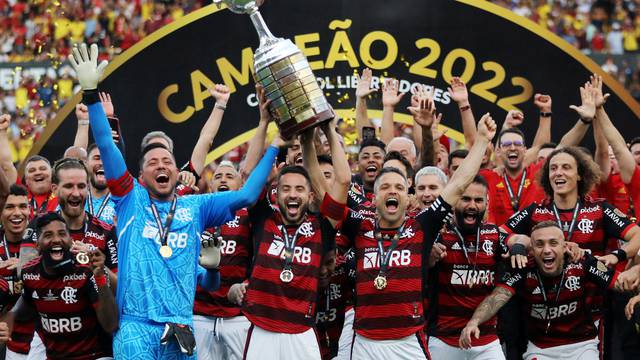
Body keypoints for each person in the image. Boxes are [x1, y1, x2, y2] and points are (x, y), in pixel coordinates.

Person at [69, 42, 280, 359]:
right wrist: (90, 94)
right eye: (152, 162)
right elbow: (106, 145)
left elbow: (248, 195)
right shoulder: (130, 198)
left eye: (167, 160)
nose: (161, 165)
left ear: (176, 168)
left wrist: (276, 144)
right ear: (140, 175)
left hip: (181, 330)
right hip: (136, 328)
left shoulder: (198, 206)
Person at [326, 113, 497, 359]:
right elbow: (330, 193)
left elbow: (458, 184)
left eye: (398, 187)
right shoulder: (359, 226)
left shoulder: (421, 227)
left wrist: (481, 141)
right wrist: (325, 136)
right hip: (364, 342)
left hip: (408, 342)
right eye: (384, 187)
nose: (392, 191)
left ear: (409, 196)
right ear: (373, 199)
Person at [236, 119, 349, 360]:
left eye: (299, 189)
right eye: (286, 189)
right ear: (276, 194)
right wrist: (266, 126)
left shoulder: (322, 226)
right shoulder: (264, 217)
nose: (292, 194)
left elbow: (343, 181)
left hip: (302, 332)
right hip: (261, 329)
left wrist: (328, 130)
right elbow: (247, 172)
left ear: (309, 196)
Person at [460, 221, 633, 360]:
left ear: (564, 246)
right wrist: (474, 322)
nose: (547, 250)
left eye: (553, 243)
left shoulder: (583, 262)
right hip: (541, 349)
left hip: (582, 345)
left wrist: (636, 273)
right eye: (539, 244)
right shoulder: (524, 267)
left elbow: (621, 283)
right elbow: (497, 297)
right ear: (532, 250)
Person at [0, 212, 118, 359]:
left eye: (62, 234)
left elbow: (111, 324)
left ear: (70, 240)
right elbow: (27, 301)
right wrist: (11, 315)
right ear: (37, 245)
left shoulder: (85, 269)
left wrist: (100, 277)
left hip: (95, 355)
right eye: (48, 235)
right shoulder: (29, 273)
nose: (56, 239)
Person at [426, 175, 507, 359]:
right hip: (444, 341)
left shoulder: (493, 234)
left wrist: (518, 247)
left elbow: (519, 239)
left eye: (478, 200)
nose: (472, 205)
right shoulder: (439, 236)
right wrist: (429, 259)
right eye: (466, 199)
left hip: (486, 341)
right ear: (454, 202)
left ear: (486, 204)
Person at [50, 158, 118, 285]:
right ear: (54, 189)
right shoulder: (40, 227)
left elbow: (120, 289)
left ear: (88, 188)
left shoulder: (106, 232)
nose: (76, 193)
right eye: (69, 186)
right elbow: (25, 275)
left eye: (81, 186)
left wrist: (100, 267)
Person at [0, 185, 46, 360]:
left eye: (22, 206)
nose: (17, 213)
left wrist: (28, 264)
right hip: (8, 342)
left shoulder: (46, 239)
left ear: (30, 210)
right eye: (10, 207)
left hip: (44, 340)